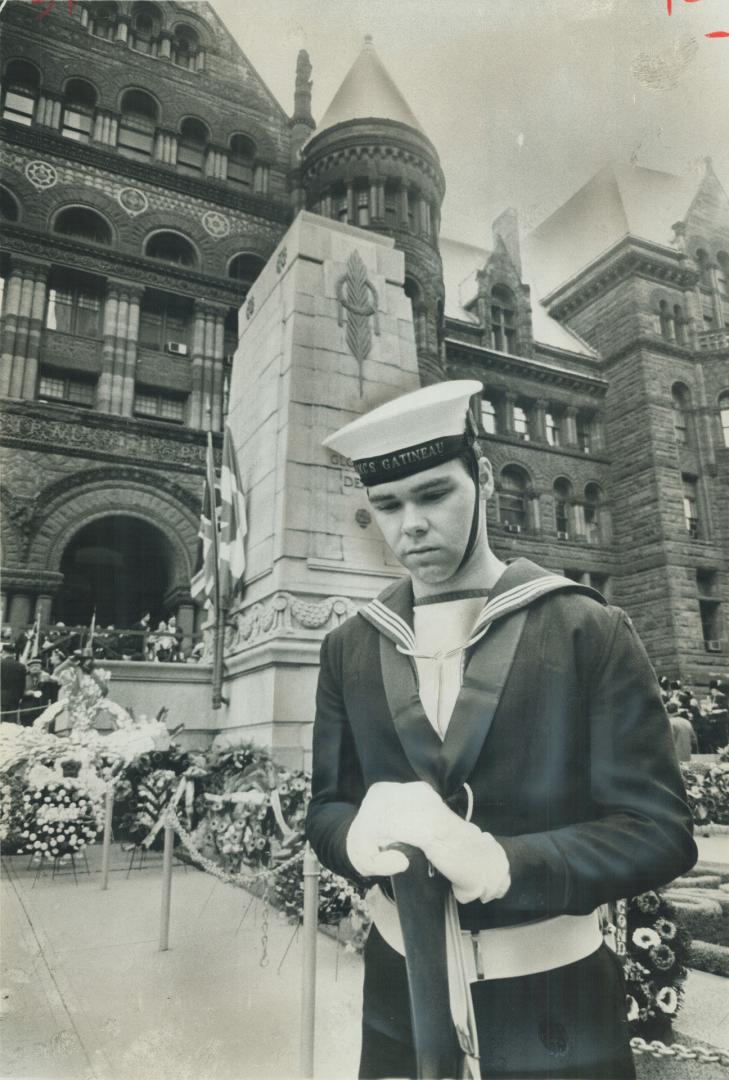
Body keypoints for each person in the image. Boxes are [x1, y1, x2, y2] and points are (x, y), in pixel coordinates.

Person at [306, 380, 697, 1080]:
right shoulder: (349, 646)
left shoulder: (585, 627)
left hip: (553, 1000)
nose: (410, 527)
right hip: (395, 998)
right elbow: (326, 807)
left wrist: (503, 863)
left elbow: (658, 831)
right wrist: (350, 841)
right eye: (387, 506)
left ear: (482, 479)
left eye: (433, 495)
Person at [17, 656, 58, 727]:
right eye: (32, 667)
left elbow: (54, 691)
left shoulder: (46, 678)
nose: (34, 668)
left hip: (42, 710)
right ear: (29, 669)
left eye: (36, 666)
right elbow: (18, 693)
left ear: (40, 668)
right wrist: (27, 693)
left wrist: (51, 680)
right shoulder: (24, 679)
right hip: (27, 710)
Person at [0, 642, 25, 723]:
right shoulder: (21, 666)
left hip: (1, 697)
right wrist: (20, 696)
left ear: (4, 652)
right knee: (11, 722)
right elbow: (22, 684)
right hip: (15, 697)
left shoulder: (1, 664)